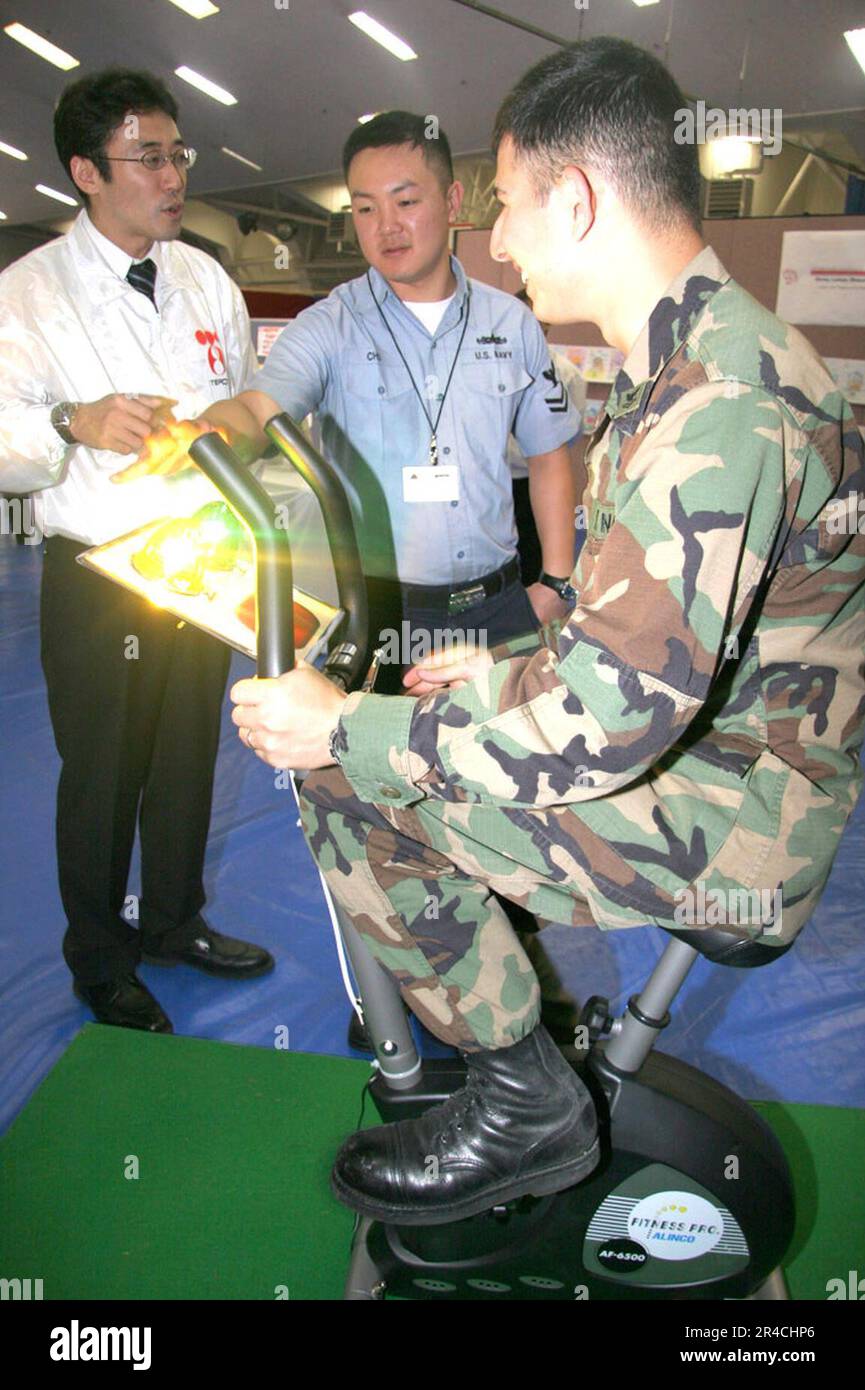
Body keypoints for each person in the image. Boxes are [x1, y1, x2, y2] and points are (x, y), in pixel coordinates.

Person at [227, 34, 865, 1226]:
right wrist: (509, 662)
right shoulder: (690, 360)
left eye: (511, 204)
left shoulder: (722, 399)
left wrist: (351, 729)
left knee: (351, 780)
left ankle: (525, 1100)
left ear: (574, 198)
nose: (502, 238)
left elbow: (610, 728)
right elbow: (646, 640)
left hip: (743, 822)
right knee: (393, 730)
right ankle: (519, 1066)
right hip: (720, 753)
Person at [118, 109, 584, 1046]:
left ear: (453, 203)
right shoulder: (330, 326)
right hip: (376, 622)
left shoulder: (510, 325)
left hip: (496, 609)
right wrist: (209, 430)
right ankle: (393, 1009)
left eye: (406, 200)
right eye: (364, 208)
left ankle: (512, 1011)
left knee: (504, 809)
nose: (386, 225)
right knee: (376, 825)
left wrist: (559, 583)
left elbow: (554, 454)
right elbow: (260, 402)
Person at [0, 68, 272, 1035]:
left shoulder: (206, 277)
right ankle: (98, 956)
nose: (171, 176)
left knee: (189, 755)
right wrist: (74, 422)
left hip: (198, 556)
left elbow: (248, 396)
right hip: (100, 571)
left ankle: (172, 920)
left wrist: (221, 431)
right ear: (85, 171)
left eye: (176, 154)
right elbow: (5, 442)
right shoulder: (27, 295)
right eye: (147, 158)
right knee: (104, 772)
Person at [508, 288, 587, 585]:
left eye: (537, 322)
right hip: (492, 480)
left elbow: (569, 436)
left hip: (536, 480)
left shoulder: (565, 375)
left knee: (534, 554)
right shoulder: (487, 370)